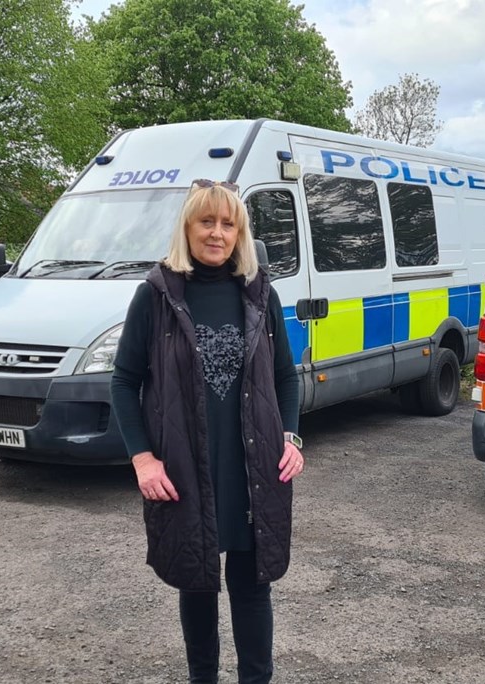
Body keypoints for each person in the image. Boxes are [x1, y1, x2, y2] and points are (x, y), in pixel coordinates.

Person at [111, 179, 303, 684]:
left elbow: (285, 376)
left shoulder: (261, 293)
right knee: (197, 584)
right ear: (188, 227)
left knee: (252, 584)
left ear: (239, 232)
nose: (217, 233)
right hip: (186, 464)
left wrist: (292, 437)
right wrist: (143, 459)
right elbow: (124, 381)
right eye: (207, 221)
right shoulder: (156, 295)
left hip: (251, 466)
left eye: (228, 223)